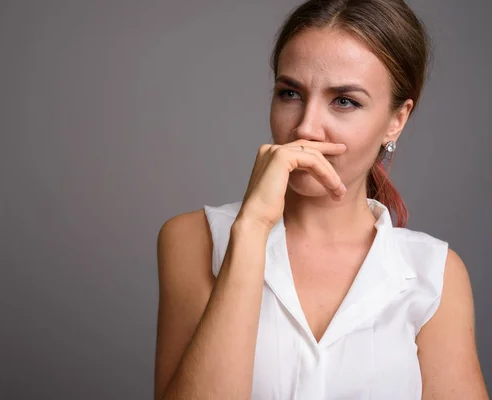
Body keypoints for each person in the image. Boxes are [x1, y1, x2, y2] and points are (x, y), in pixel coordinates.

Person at [154, 0, 489, 398]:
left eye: (344, 101)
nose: (306, 127)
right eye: (290, 93)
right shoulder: (195, 239)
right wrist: (253, 227)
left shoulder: (434, 273)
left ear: (396, 120)